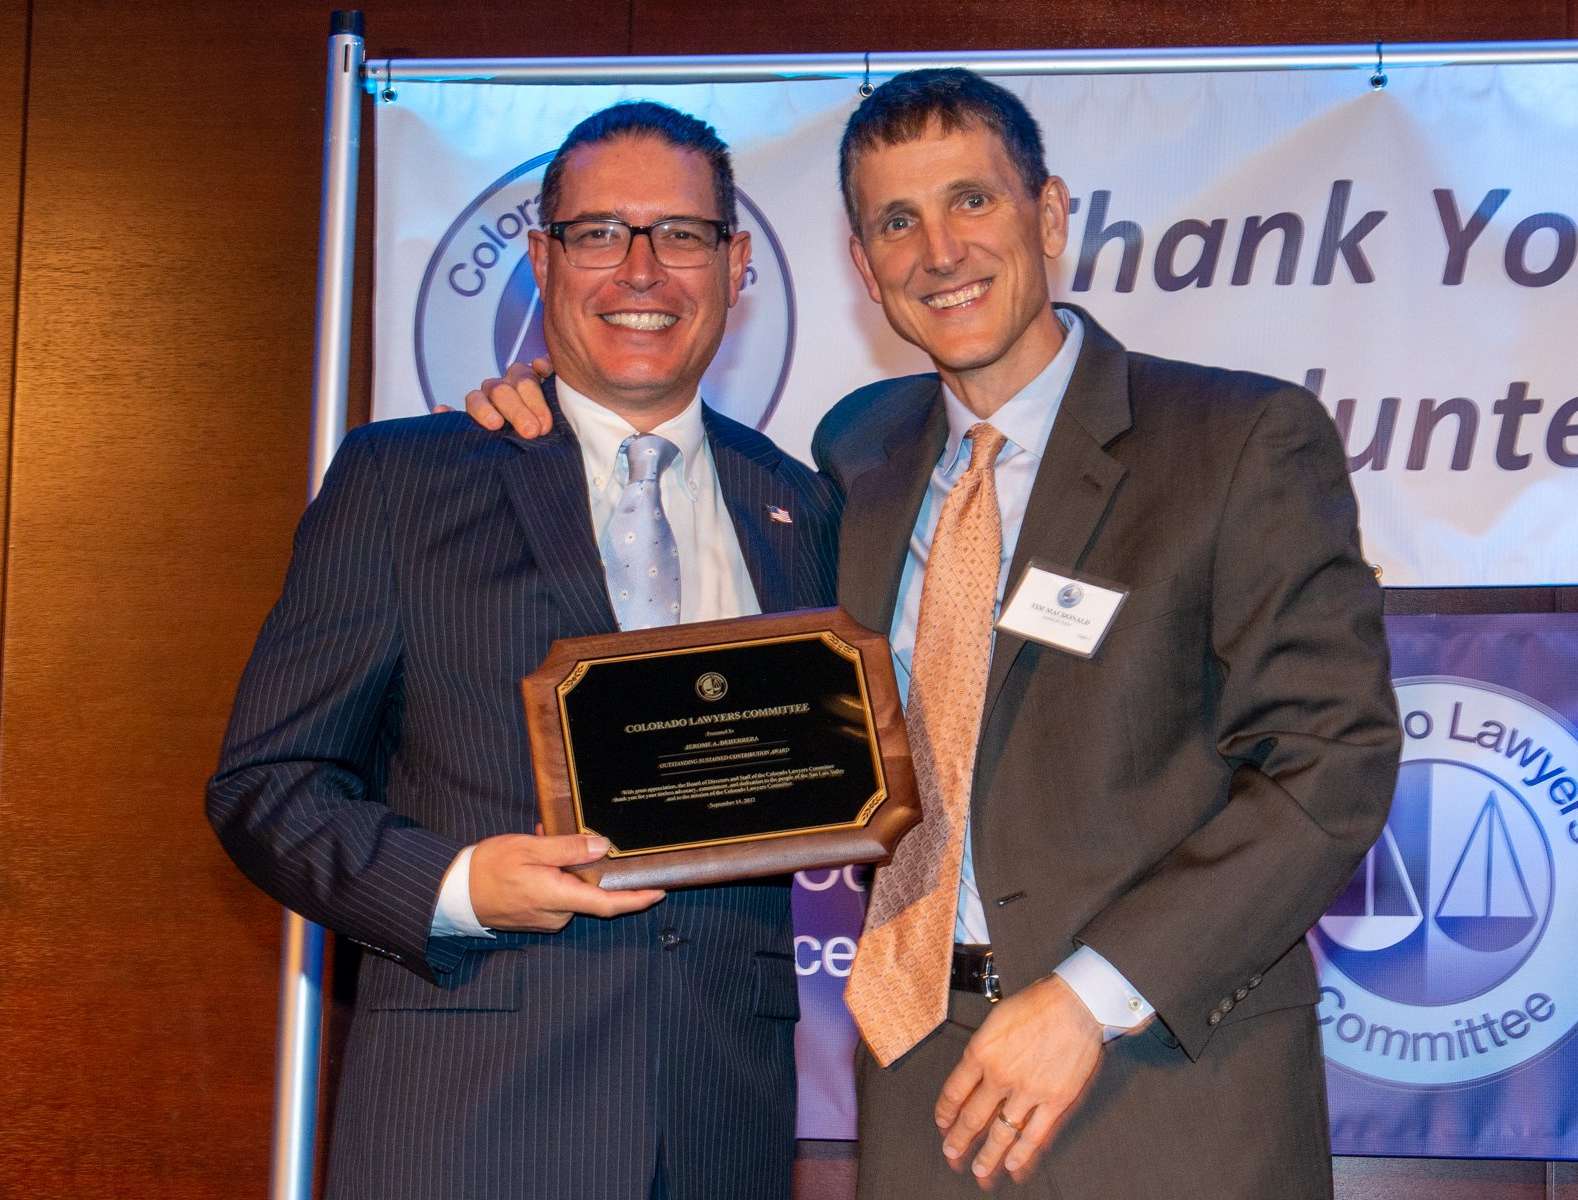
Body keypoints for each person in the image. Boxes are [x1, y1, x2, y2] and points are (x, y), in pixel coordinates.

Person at [467, 70, 1400, 1200]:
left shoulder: (1237, 439)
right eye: (895, 221)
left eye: (972, 202)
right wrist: (547, 412)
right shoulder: (851, 457)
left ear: (1049, 215)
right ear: (864, 269)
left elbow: (1330, 766)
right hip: (919, 1077)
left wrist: (1087, 998)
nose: (938, 250)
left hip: (1162, 1074)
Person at [208, 101, 840, 1200]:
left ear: (737, 266)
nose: (640, 271)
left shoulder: (799, 506)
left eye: (681, 235)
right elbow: (268, 786)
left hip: (718, 1130)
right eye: (600, 234)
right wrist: (460, 885)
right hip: (470, 1123)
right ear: (543, 260)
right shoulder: (404, 481)